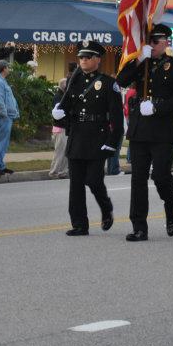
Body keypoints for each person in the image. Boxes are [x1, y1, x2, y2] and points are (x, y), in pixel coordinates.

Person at [116, 23, 173, 242]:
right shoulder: (141, 62)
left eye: (153, 41)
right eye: (147, 41)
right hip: (140, 128)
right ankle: (139, 227)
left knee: (160, 176)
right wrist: (139, 59)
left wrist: (159, 107)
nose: (149, 45)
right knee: (138, 179)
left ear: (165, 42)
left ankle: (170, 205)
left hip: (161, 128)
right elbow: (120, 81)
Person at [51, 40, 123, 236]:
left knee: (93, 180)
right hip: (77, 137)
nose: (83, 60)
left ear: (98, 59)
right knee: (75, 185)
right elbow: (66, 108)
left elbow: (117, 119)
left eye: (88, 57)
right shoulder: (74, 81)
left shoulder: (109, 84)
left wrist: (112, 143)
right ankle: (79, 224)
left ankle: (105, 207)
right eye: (81, 56)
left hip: (97, 138)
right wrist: (58, 115)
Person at [0, 59, 20, 176]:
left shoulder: (2, 80)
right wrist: (4, 114)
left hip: (7, 117)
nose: (9, 69)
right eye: (8, 67)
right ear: (4, 68)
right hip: (1, 117)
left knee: (3, 143)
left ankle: (0, 164)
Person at [49, 78, 70, 179]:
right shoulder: (58, 97)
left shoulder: (64, 96)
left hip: (65, 127)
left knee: (66, 151)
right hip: (60, 128)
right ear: (63, 86)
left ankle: (63, 172)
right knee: (60, 151)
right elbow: (57, 114)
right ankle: (54, 172)